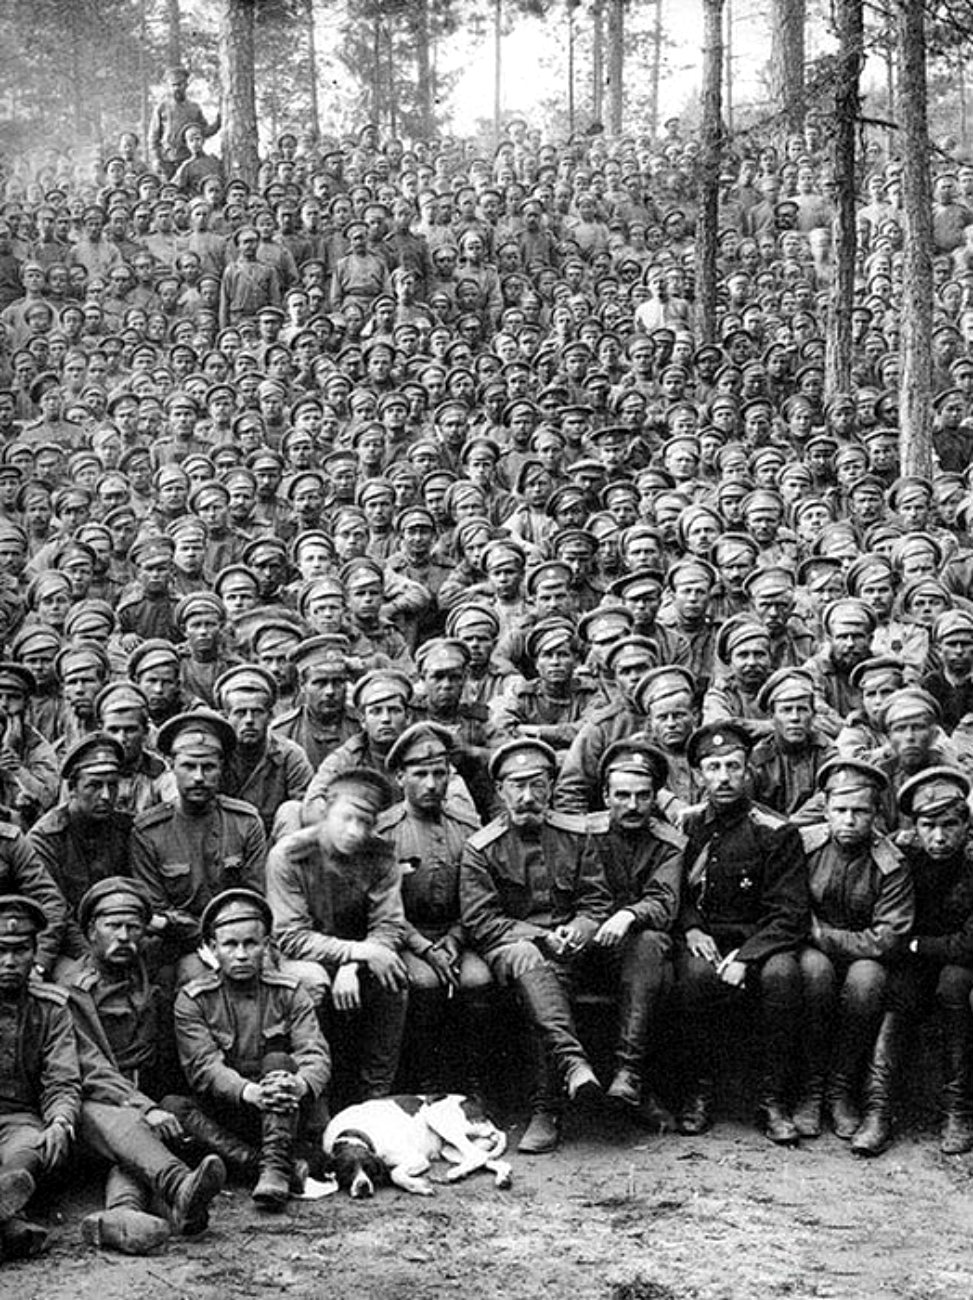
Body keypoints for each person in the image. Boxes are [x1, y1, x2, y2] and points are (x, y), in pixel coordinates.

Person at [461, 739, 612, 1154]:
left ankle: (550, 1105)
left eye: (537, 784)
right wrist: (540, 936)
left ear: (551, 787)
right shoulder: (482, 847)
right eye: (517, 785)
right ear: (500, 790)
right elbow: (481, 921)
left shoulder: (575, 835)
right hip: (508, 946)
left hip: (568, 951)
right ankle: (563, 1081)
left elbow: (596, 902)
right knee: (531, 961)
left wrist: (579, 929)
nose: (528, 796)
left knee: (548, 978)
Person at [61, 877, 227, 1252]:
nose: (123, 937)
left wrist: (159, 921)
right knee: (123, 1123)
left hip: (140, 1106)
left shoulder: (145, 965)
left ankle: (124, 1214)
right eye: (112, 926)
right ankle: (178, 1184)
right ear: (90, 931)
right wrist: (145, 1107)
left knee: (136, 1140)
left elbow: (196, 933)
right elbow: (89, 1067)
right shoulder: (73, 989)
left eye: (132, 926)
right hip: (95, 1103)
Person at [675, 722, 809, 1144]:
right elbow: (672, 891)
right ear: (698, 774)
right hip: (706, 937)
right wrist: (691, 928)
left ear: (748, 770)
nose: (724, 777)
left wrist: (749, 955)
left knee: (782, 976)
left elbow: (789, 912)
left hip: (763, 939)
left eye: (733, 766)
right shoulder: (685, 825)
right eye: (713, 768)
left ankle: (773, 1101)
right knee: (695, 976)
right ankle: (699, 1092)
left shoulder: (775, 829)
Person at [174, 889, 330, 1209]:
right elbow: (204, 1067)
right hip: (233, 1109)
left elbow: (314, 1053)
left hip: (286, 1110)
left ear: (266, 946)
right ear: (213, 948)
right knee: (174, 1107)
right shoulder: (193, 1000)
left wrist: (299, 1084)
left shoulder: (290, 992)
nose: (241, 954)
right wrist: (249, 1092)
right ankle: (268, 1165)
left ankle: (274, 1171)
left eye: (251, 943)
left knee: (278, 1060)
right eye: (230, 945)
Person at [267, 769, 408, 1103]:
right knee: (312, 981)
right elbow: (291, 937)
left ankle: (376, 1096)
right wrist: (358, 953)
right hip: (299, 957)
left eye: (365, 822)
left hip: (357, 957)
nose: (355, 831)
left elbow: (388, 926)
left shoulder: (381, 858)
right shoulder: (289, 855)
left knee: (393, 979)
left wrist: (353, 963)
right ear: (327, 811)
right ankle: (316, 1097)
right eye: (347, 818)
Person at [795, 759, 913, 1155]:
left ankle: (840, 1089)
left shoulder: (890, 863)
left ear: (876, 813)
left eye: (860, 811)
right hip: (810, 949)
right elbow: (790, 904)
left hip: (863, 952)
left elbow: (888, 937)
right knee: (814, 973)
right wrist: (813, 936)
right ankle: (810, 1089)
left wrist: (825, 936)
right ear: (826, 809)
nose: (849, 820)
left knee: (867, 981)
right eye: (840, 809)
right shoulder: (805, 845)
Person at [376, 721, 491, 1091]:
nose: (431, 784)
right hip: (406, 938)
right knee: (423, 984)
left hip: (458, 933)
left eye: (439, 774)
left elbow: (477, 897)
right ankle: (424, 1083)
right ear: (400, 777)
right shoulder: (384, 832)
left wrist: (455, 939)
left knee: (477, 981)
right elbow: (383, 908)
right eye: (420, 774)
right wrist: (425, 948)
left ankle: (472, 1083)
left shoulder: (468, 827)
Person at [586, 739, 684, 1120]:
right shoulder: (583, 833)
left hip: (637, 951)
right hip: (587, 943)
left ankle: (630, 1075)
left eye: (643, 796)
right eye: (622, 795)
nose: (632, 805)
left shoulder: (669, 844)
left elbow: (664, 902)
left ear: (655, 798)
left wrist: (629, 914)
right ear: (605, 796)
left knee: (651, 947)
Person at [130, 710, 267, 979]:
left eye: (209, 767)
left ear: (222, 767)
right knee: (195, 975)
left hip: (241, 936)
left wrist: (228, 941)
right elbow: (156, 912)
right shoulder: (148, 831)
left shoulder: (245, 821)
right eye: (189, 767)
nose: (199, 777)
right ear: (172, 767)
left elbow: (255, 896)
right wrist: (205, 938)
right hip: (178, 945)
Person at [892, 768, 973, 1155]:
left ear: (966, 826)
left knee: (954, 984)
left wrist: (915, 945)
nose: (939, 837)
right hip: (919, 958)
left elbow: (968, 945)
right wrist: (910, 948)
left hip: (961, 962)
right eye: (928, 826)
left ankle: (958, 1110)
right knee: (900, 988)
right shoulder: (904, 858)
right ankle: (878, 1105)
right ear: (915, 828)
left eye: (949, 825)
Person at [0, 895, 81, 1257]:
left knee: (33, 1147)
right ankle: (12, 1226)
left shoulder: (51, 1009)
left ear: (35, 954)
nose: (9, 962)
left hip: (20, 1122)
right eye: (1, 950)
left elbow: (62, 1078)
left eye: (20, 950)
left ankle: (9, 1204)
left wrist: (61, 1120)